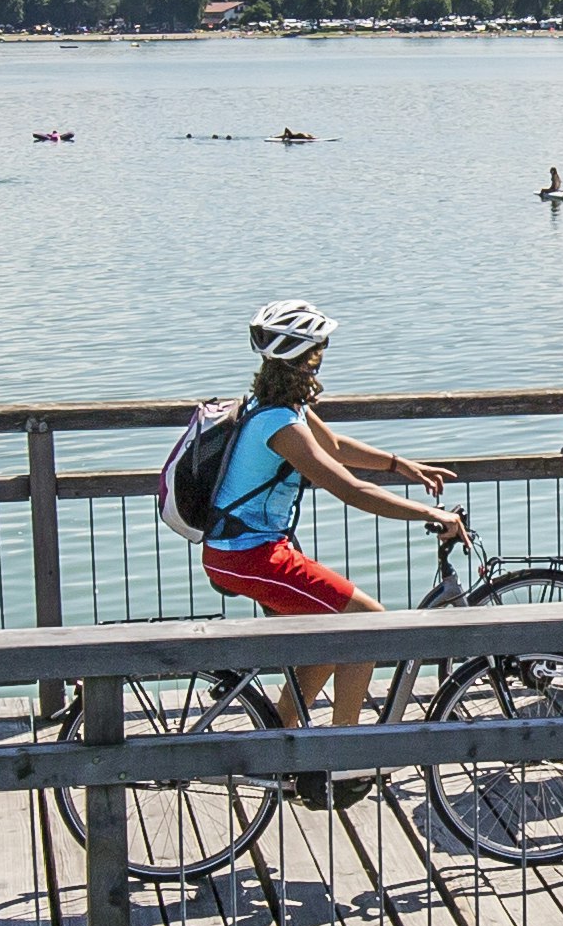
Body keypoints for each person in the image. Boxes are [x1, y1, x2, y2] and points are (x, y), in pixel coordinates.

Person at [196, 298, 464, 806]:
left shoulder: (278, 408)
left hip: (253, 548)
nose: (323, 355)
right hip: (247, 555)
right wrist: (430, 514)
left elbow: (335, 448)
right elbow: (349, 489)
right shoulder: (279, 425)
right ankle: (345, 762)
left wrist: (400, 464)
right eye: (320, 348)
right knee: (367, 623)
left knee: (327, 636)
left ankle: (276, 742)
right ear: (307, 357)